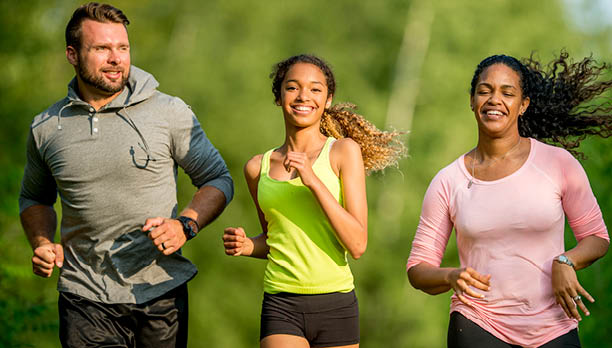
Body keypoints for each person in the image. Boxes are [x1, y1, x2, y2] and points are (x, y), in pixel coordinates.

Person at [18, 3, 233, 347]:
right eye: (102, 48)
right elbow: (35, 198)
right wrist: (42, 242)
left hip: (160, 291)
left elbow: (218, 178)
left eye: (122, 47)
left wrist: (186, 224)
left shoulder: (169, 111)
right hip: (83, 295)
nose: (116, 58)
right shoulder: (47, 127)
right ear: (72, 54)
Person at [406, 52, 611, 348]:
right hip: (478, 321)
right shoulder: (448, 180)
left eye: (507, 92)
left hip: (553, 326)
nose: (494, 100)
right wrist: (451, 275)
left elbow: (597, 237)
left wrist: (567, 261)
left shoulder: (557, 163)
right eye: (484, 91)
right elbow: (418, 268)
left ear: (523, 105)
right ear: (472, 100)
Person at [222, 54, 405, 348]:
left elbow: (357, 244)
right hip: (281, 303)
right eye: (292, 87)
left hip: (336, 304)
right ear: (279, 97)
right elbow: (274, 241)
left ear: (328, 100)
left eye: (315, 89)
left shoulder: (344, 152)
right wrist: (247, 246)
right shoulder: (258, 168)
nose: (303, 96)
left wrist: (313, 181)